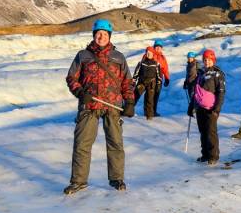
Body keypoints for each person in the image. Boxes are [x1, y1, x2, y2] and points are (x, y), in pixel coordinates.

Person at [63, 19, 135, 195]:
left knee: (115, 143)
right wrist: (80, 93)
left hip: (113, 105)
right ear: (94, 35)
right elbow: (71, 78)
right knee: (82, 144)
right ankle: (78, 181)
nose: (101, 36)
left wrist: (130, 102)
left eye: (104, 34)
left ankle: (116, 178)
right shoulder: (83, 56)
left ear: (109, 36)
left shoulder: (118, 57)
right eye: (98, 33)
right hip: (89, 104)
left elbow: (127, 81)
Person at [189, 49, 225, 165]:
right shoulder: (200, 74)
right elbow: (196, 92)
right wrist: (191, 106)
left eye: (209, 60)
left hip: (212, 109)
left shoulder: (217, 74)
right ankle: (205, 154)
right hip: (200, 108)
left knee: (211, 132)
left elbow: (221, 92)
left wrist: (217, 109)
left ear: (213, 60)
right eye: (205, 60)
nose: (207, 62)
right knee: (203, 131)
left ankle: (213, 156)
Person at [133, 46, 162, 120]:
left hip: (151, 84)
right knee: (134, 96)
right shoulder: (141, 63)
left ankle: (149, 115)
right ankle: (128, 110)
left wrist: (158, 84)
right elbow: (136, 72)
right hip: (141, 83)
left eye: (150, 53)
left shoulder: (156, 64)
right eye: (147, 53)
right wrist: (133, 80)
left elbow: (159, 75)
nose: (149, 54)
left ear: (153, 54)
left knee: (149, 99)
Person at [151, 39, 170, 117]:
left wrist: (167, 78)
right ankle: (148, 111)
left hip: (159, 79)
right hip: (151, 78)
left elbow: (165, 68)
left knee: (156, 95)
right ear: (154, 47)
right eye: (156, 47)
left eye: (159, 47)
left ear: (161, 48)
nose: (158, 48)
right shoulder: (151, 54)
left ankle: (153, 111)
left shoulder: (162, 57)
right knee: (150, 95)